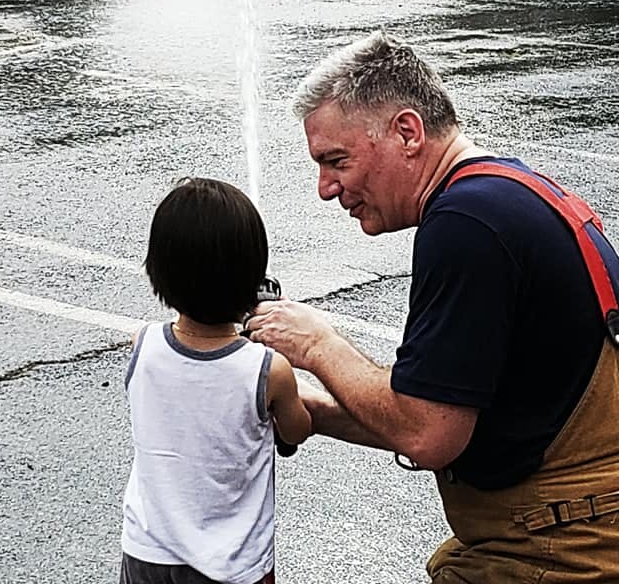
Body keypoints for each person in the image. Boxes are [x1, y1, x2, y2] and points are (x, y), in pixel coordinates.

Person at [245, 31, 619, 583]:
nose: (325, 188)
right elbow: (448, 413)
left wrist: (316, 343)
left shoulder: (464, 226)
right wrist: (312, 410)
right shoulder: (507, 192)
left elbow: (427, 434)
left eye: (336, 160)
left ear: (407, 132)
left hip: (563, 551)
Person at [120, 177, 312, 584]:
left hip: (148, 552)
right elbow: (297, 430)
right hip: (231, 563)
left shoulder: (143, 344)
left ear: (158, 271)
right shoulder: (267, 369)